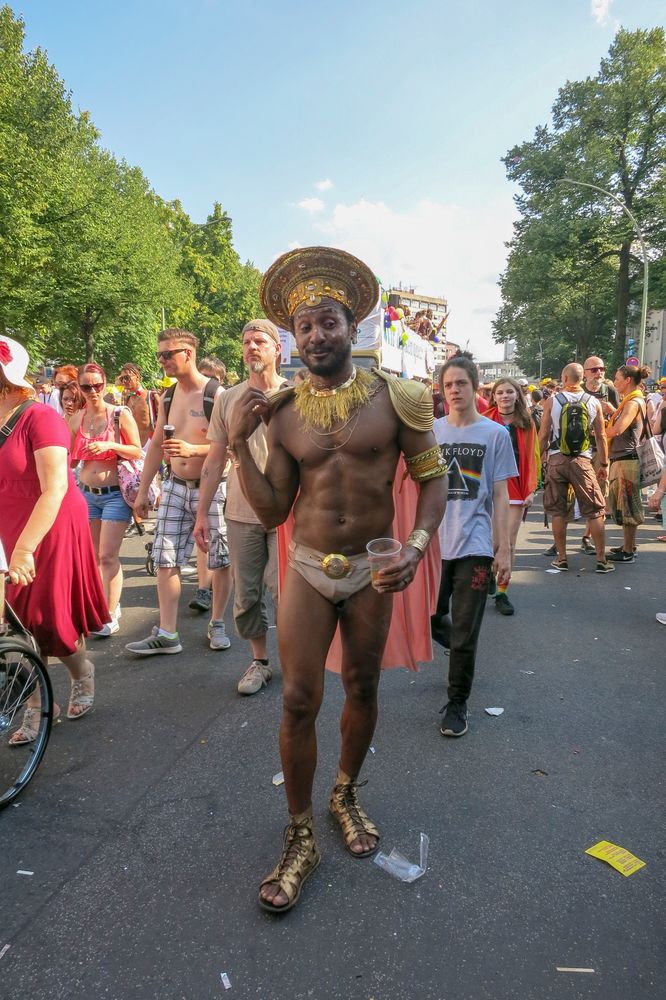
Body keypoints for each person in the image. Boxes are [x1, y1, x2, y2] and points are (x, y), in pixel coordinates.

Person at [226, 247, 447, 913]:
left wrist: (413, 546)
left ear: (354, 328)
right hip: (307, 569)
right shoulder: (284, 411)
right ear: (295, 338)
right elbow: (272, 511)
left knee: (361, 685)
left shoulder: (399, 398)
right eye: (306, 326)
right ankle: (300, 836)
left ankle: (345, 791)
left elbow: (435, 483)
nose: (316, 335)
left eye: (328, 322)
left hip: (373, 572)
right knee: (297, 700)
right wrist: (239, 444)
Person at [0, 336, 108, 743]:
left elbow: (55, 488)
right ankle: (36, 704)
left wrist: (26, 547)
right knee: (14, 625)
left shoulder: (40, 418)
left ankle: (81, 670)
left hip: (51, 523)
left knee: (47, 619)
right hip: (7, 525)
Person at [194, 320, 287, 693]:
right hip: (240, 512)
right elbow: (214, 460)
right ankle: (260, 662)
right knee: (247, 595)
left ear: (277, 349)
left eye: (260, 340)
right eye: (246, 341)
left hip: (286, 512)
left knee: (286, 593)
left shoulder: (295, 395)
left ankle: (296, 663)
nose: (251, 346)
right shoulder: (227, 399)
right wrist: (202, 513)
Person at [127, 329, 231, 655]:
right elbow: (157, 443)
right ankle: (168, 632)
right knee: (164, 557)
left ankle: (217, 624)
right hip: (174, 486)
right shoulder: (168, 396)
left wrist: (192, 448)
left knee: (220, 559)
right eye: (160, 355)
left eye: (168, 354)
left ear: (188, 354)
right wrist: (144, 490)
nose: (163, 360)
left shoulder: (217, 394)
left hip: (212, 488)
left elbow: (227, 449)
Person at [430, 355, 515, 735]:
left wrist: (504, 548)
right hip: (432, 546)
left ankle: (457, 703)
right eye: (448, 385)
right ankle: (460, 650)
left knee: (465, 628)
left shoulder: (494, 434)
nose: (454, 390)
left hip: (475, 546)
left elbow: (500, 493)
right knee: (429, 619)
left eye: (461, 383)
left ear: (474, 386)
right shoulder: (430, 432)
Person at [67, 363, 142, 635]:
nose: (92, 391)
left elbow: (136, 450)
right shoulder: (76, 419)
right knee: (94, 558)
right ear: (80, 388)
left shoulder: (120, 414)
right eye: (86, 387)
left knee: (108, 555)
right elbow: (69, 458)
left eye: (97, 385)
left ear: (104, 383)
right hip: (87, 495)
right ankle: (101, 607)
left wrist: (110, 445)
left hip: (114, 495)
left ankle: (110, 612)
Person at [538, 363, 613, 573]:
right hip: (582, 460)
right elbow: (601, 436)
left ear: (564, 377)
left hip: (557, 460)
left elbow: (543, 435)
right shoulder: (593, 402)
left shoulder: (553, 401)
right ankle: (601, 560)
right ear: (582, 378)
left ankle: (561, 558)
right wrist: (604, 464)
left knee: (558, 510)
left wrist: (536, 461)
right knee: (595, 510)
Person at [484, 377, 539, 616]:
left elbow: (534, 455)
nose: (505, 396)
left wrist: (531, 488)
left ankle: (503, 592)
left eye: (509, 392)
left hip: (516, 489)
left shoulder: (527, 423)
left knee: (509, 542)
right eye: (500, 393)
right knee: (492, 542)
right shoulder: (484, 420)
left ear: (517, 395)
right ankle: (487, 574)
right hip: (488, 488)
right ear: (494, 396)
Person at [605, 364, 651, 563]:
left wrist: (596, 431)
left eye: (617, 378)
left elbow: (618, 430)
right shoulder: (631, 401)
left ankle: (629, 551)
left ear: (627, 380)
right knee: (625, 505)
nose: (614, 382)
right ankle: (628, 546)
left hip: (627, 459)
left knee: (629, 507)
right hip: (623, 458)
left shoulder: (633, 402)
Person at [116, 364, 158, 449]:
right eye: (122, 378)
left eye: (127, 377)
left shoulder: (151, 396)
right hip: (132, 445)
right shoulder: (126, 399)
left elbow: (163, 421)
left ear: (137, 377)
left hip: (149, 443)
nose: (124, 381)